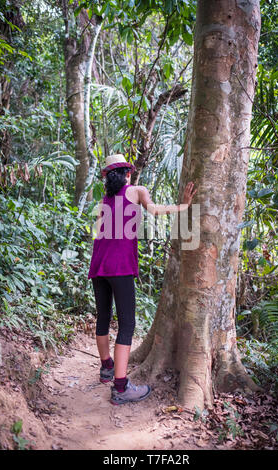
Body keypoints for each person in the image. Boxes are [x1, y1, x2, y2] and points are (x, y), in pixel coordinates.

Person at [88, 154, 197, 405]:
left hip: (98, 267)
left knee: (103, 317)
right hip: (120, 268)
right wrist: (182, 206)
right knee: (127, 324)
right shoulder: (137, 190)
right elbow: (155, 210)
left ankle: (107, 367)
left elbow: (99, 232)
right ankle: (121, 387)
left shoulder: (105, 200)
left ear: (107, 177)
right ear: (128, 173)